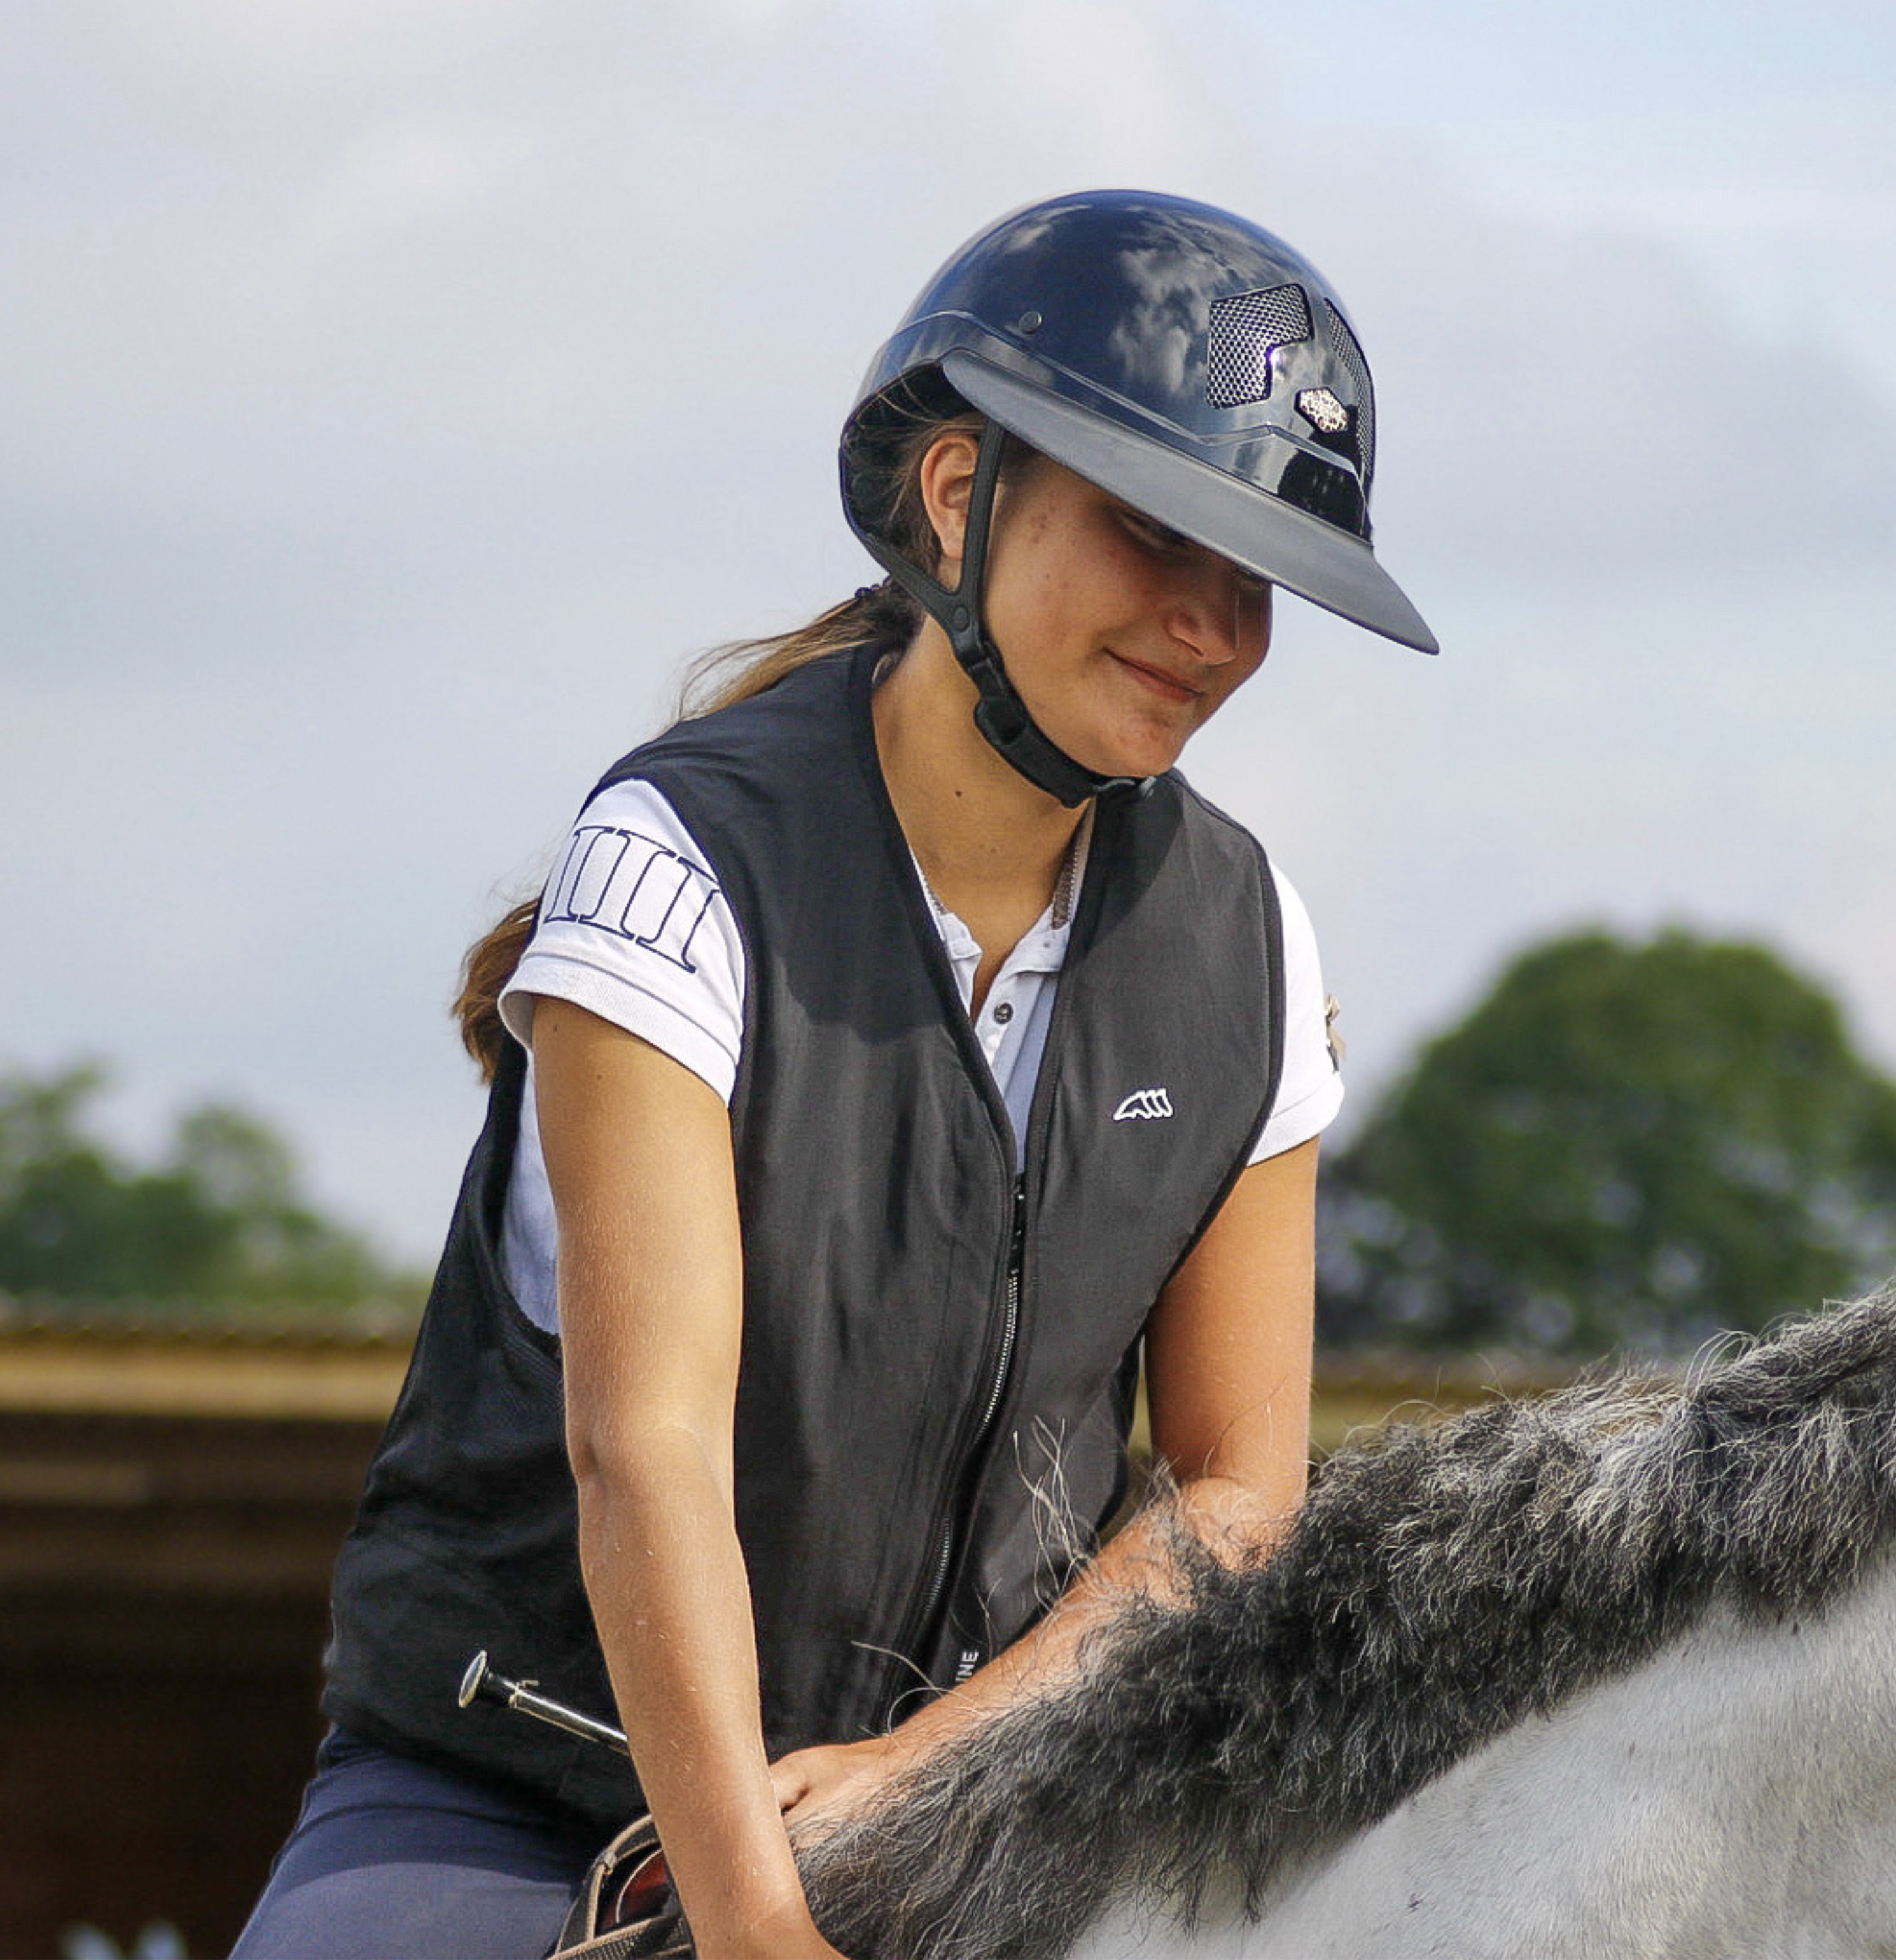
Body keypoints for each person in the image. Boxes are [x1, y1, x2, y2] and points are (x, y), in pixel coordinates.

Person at [229, 188, 1437, 1960]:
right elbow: (641, 1452)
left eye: (1256, 577)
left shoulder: (1260, 952)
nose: (1211, 622)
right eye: (1152, 533)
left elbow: (1235, 1488)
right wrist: (759, 1933)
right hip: (516, 1797)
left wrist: (927, 1765)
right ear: (961, 498)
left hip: (999, 1806)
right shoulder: (675, 866)